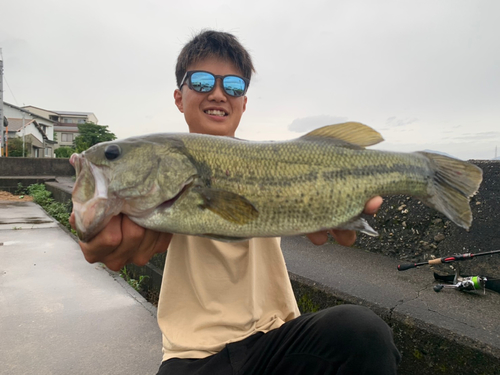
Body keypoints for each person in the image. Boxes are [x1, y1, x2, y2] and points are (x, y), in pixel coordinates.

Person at [71, 30, 401, 374]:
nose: (218, 93)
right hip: (193, 354)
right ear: (178, 97)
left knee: (361, 332)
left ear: (244, 102)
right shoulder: (155, 182)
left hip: (278, 340)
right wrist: (95, 223)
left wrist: (343, 208)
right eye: (200, 81)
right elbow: (97, 230)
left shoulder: (271, 163)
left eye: (233, 86)